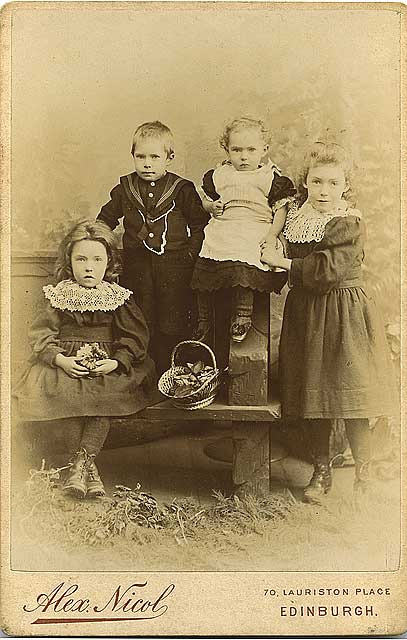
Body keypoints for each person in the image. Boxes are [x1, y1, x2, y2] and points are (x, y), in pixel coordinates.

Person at [260, 141, 396, 504]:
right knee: (313, 395)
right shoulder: (296, 217)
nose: (324, 190)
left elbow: (326, 270)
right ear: (306, 183)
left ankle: (363, 474)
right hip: (306, 313)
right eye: (317, 182)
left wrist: (283, 264)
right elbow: (276, 249)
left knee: (351, 398)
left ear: (345, 186)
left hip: (344, 313)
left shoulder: (348, 222)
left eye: (333, 183)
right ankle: (321, 472)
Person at [13, 220, 156, 499]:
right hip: (67, 363)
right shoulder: (58, 295)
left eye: (97, 259)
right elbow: (42, 334)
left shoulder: (118, 298)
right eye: (81, 259)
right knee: (66, 394)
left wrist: (117, 361)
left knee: (103, 396)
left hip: (106, 365)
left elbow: (134, 338)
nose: (88, 267)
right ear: (69, 261)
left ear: (109, 262)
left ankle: (80, 465)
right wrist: (60, 359)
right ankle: (85, 471)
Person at [97, 121, 209, 373]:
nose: (147, 163)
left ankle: (171, 371)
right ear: (133, 156)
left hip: (175, 268)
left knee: (173, 317)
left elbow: (201, 224)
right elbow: (104, 220)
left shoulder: (182, 189)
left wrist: (190, 253)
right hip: (137, 267)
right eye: (141, 156)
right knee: (140, 316)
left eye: (155, 156)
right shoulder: (125, 188)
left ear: (170, 158)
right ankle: (141, 372)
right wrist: (104, 250)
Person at [191, 116, 295, 342]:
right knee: (205, 256)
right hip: (225, 225)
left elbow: (281, 210)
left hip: (256, 226)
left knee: (245, 253)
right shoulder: (220, 175)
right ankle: (204, 319)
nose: (244, 156)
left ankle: (242, 315)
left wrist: (271, 235)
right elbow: (206, 200)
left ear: (264, 149)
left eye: (251, 149)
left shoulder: (269, 177)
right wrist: (211, 206)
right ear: (226, 150)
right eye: (236, 150)